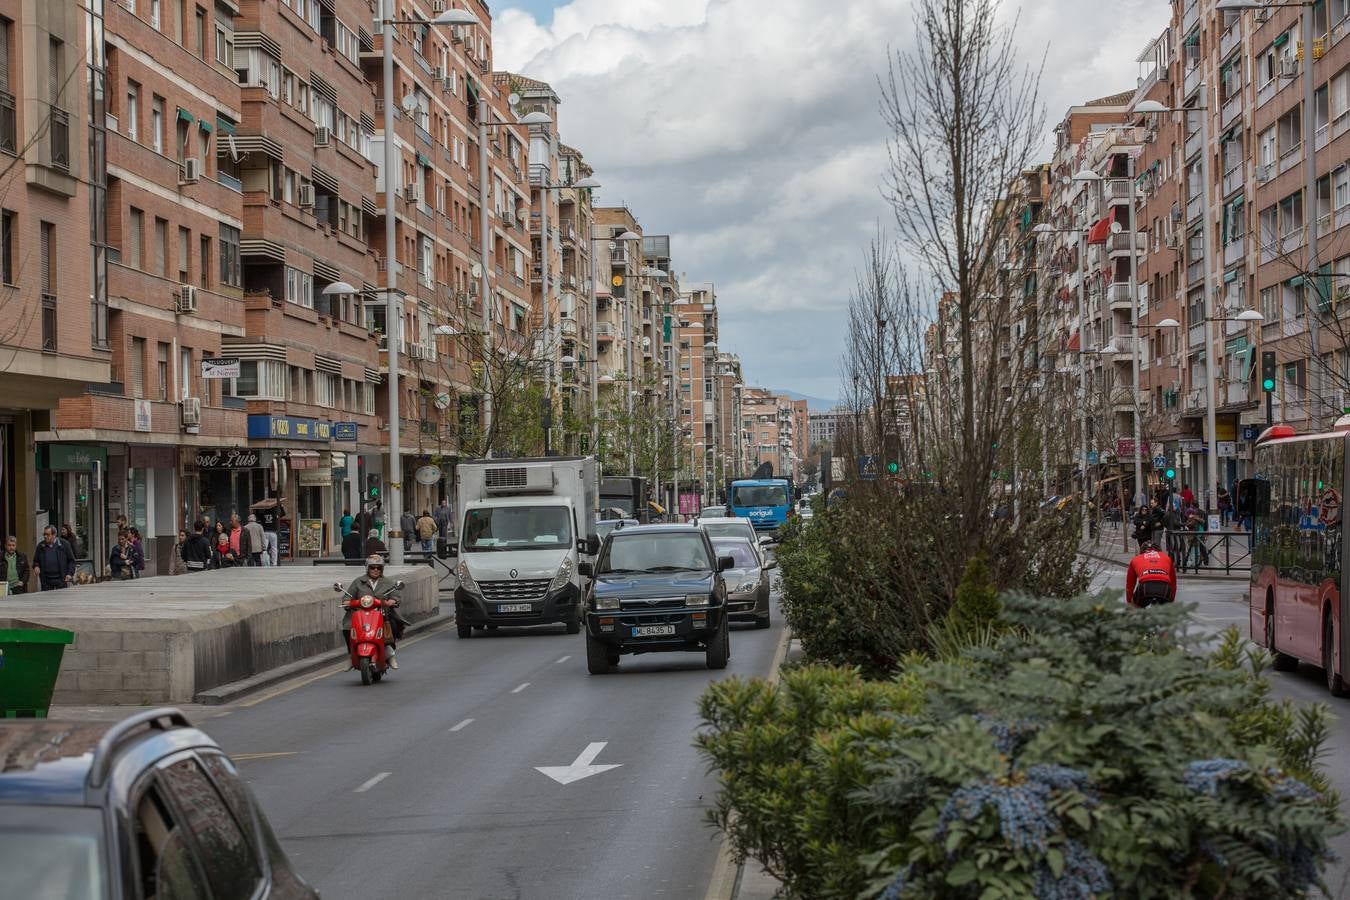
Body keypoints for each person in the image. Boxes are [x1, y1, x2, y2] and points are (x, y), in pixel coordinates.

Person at [341, 556, 405, 669]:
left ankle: (390, 654)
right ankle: (351, 655)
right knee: (347, 627)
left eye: (378, 568)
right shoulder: (358, 581)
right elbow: (348, 595)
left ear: (382, 569)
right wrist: (347, 602)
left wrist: (393, 601)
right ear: (367, 568)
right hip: (360, 614)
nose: (375, 570)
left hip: (382, 614)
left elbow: (395, 596)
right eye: (372, 567)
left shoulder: (388, 582)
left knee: (393, 626)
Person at [1126, 540, 1177, 608]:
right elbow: (1173, 583)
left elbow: (1130, 585)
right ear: (1159, 550)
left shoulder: (1136, 559)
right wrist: (1171, 600)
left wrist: (1130, 602)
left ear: (1141, 551)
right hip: (1164, 587)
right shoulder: (1166, 558)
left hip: (1145, 586)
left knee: (1134, 609)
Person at [34, 525, 75, 590]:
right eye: (44, 534)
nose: (45, 536)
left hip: (61, 579)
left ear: (54, 535)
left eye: (47, 534)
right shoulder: (41, 546)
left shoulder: (64, 544)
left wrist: (70, 573)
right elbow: (36, 561)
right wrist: (36, 566)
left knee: (61, 599)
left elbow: (71, 561)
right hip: (46, 581)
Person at [258, 498, 285, 566]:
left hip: (265, 532)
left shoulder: (263, 514)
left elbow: (257, 515)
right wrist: (281, 506)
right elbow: (283, 514)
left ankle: (264, 561)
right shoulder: (275, 514)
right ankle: (274, 562)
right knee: (274, 548)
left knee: (264, 548)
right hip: (273, 532)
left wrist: (258, 507)